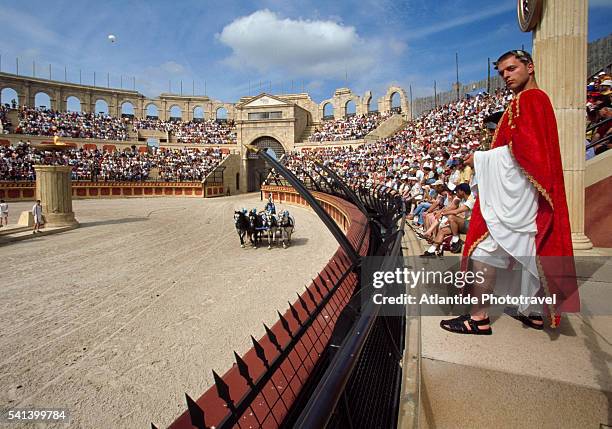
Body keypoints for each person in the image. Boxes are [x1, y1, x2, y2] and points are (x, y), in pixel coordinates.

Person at [440, 50, 579, 335]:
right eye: (502, 72)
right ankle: (534, 314)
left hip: (516, 197)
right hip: (518, 193)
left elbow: (527, 153)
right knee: (527, 252)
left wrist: (479, 159)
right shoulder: (528, 101)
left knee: (484, 251)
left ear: (530, 67)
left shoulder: (531, 100)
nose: (506, 76)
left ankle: (478, 319)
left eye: (511, 69)